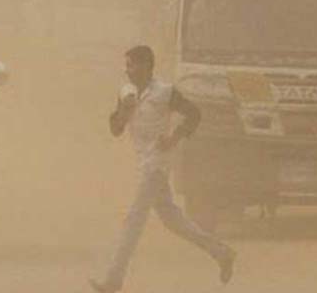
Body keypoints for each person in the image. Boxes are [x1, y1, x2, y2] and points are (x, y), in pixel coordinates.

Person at [89, 46, 236, 293]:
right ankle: (222, 253)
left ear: (147, 66)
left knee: (133, 221)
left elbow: (194, 114)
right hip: (144, 162)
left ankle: (113, 280)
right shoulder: (126, 92)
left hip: (156, 164)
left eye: (132, 65)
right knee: (172, 220)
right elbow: (115, 129)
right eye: (127, 66)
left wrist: (174, 138)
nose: (128, 71)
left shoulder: (165, 92)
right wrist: (124, 111)